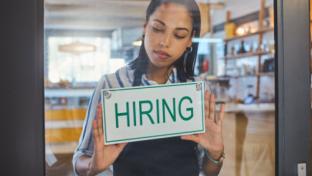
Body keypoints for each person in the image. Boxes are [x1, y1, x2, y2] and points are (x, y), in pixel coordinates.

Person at [73, 0, 225, 175]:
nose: (164, 42)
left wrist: (215, 154)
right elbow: (80, 157)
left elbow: (207, 172)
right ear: (145, 28)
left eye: (179, 35)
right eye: (158, 29)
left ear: (190, 41)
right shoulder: (112, 85)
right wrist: (93, 165)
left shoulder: (197, 90)